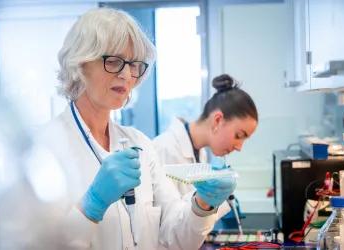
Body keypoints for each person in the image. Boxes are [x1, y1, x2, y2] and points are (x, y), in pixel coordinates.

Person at [37, 8, 237, 250]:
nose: (126, 74)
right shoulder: (44, 148)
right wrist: (90, 207)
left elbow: (176, 238)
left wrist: (203, 204)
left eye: (134, 65)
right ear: (80, 63)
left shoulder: (140, 144)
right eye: (113, 61)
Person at [153, 74, 258, 197]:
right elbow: (168, 214)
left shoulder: (199, 152)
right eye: (239, 135)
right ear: (218, 120)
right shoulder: (164, 149)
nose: (239, 147)